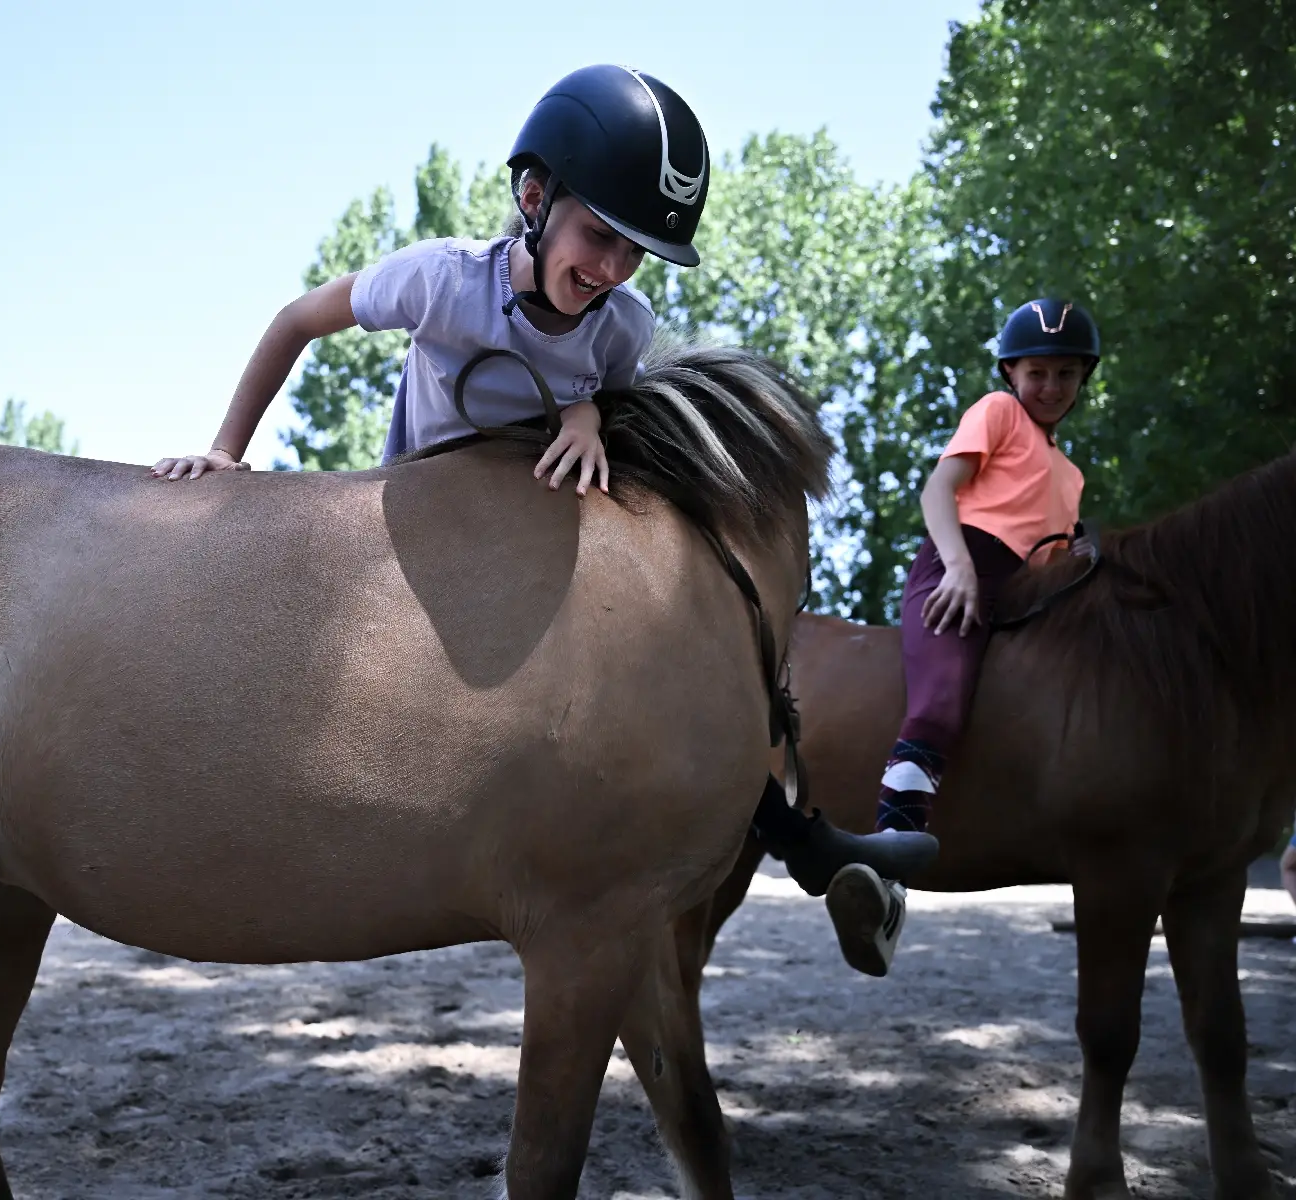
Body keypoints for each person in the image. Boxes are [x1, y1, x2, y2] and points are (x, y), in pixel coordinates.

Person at [153, 63, 938, 912]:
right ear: (534, 198)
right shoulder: (441, 279)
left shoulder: (623, 326)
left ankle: (797, 837)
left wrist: (588, 416)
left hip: (531, 525)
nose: (613, 267)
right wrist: (226, 451)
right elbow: (298, 321)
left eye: (635, 251)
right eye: (600, 235)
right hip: (424, 518)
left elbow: (613, 403)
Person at [826, 298, 1102, 977]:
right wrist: (956, 567)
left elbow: (1047, 561)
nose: (1051, 387)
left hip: (1024, 595)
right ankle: (888, 867)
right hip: (959, 569)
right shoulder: (998, 412)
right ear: (1011, 372)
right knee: (940, 703)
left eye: (1066, 374)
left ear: (1082, 381)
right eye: (1037, 372)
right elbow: (938, 492)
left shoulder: (1071, 476)